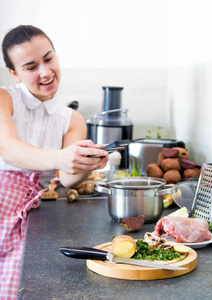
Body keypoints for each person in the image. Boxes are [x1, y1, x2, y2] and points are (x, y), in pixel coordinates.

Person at [0, 25, 109, 299]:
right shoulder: (4, 99)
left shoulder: (72, 119)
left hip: (39, 213)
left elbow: (67, 177)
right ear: (15, 73)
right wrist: (61, 156)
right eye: (31, 66)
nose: (46, 72)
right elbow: (9, 149)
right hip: (3, 204)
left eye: (49, 59)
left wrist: (84, 165)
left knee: (31, 287)